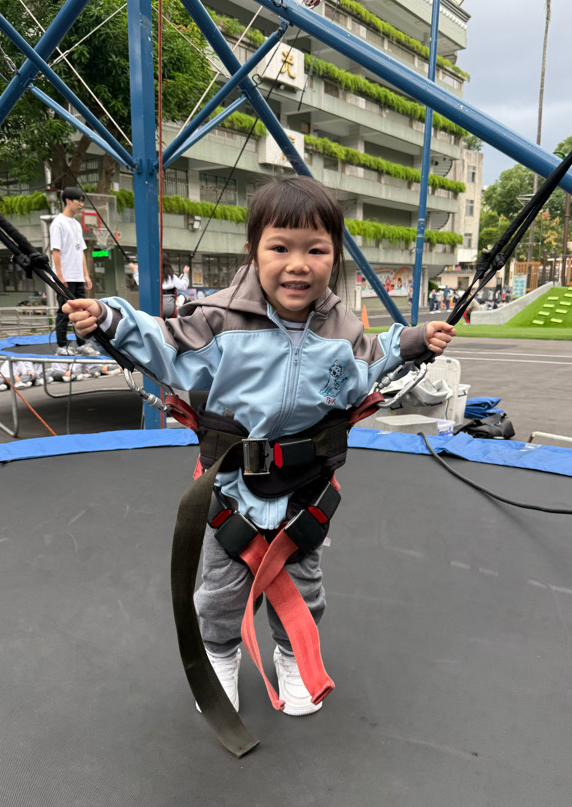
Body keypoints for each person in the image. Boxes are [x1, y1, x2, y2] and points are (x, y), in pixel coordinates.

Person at [63, 177, 455, 717]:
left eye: (316, 251)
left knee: (303, 583)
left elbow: (372, 358)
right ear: (254, 252)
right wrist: (110, 319)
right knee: (222, 591)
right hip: (233, 490)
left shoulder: (341, 329)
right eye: (280, 248)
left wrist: (414, 341)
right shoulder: (221, 320)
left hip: (304, 491)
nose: (298, 265)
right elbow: (165, 343)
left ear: (334, 257)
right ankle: (219, 655)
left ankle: (292, 655)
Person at [50, 186, 97, 357]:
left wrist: (86, 275)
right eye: (79, 200)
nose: (81, 204)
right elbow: (56, 251)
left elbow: (81, 251)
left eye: (83, 201)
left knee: (82, 312)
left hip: (78, 276)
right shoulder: (58, 223)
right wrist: (59, 276)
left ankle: (82, 344)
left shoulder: (77, 225)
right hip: (65, 276)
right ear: (68, 200)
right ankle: (62, 345)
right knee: (64, 311)